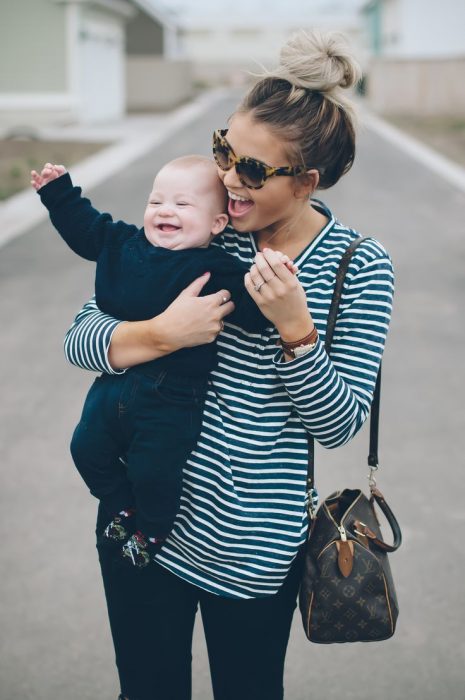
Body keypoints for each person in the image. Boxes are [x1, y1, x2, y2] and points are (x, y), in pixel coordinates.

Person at [62, 29, 395, 700]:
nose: (224, 180)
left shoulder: (356, 266)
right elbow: (81, 335)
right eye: (224, 151)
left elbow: (337, 426)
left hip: (251, 549)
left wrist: (295, 331)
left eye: (250, 170)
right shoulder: (201, 221)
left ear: (307, 182)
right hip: (140, 526)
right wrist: (162, 332)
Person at [32, 156, 298, 567]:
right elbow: (85, 228)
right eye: (156, 202)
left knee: (154, 473)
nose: (165, 211)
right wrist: (58, 192)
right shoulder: (123, 244)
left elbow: (252, 309)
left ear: (216, 225)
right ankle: (121, 507)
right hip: (112, 387)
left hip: (171, 399)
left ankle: (152, 532)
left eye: (182, 205)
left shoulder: (218, 268)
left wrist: (274, 280)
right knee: (84, 449)